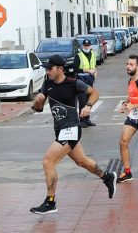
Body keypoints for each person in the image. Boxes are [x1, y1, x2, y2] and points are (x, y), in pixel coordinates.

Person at [30, 54, 116, 214]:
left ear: (60, 69)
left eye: (50, 68)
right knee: (82, 161)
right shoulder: (47, 84)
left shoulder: (73, 83)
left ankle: (50, 202)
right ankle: (107, 177)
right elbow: (38, 108)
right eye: (46, 68)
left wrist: (88, 105)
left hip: (71, 130)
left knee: (48, 161)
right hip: (60, 130)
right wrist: (38, 102)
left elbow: (95, 93)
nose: (47, 71)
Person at [76, 39, 97, 128]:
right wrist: (87, 70)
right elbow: (75, 68)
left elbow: (94, 66)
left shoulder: (92, 54)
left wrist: (95, 72)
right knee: (82, 100)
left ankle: (87, 119)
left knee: (89, 100)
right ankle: (82, 120)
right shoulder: (78, 56)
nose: (86, 47)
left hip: (90, 79)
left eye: (88, 45)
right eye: (85, 45)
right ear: (82, 46)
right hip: (81, 79)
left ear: (90, 46)